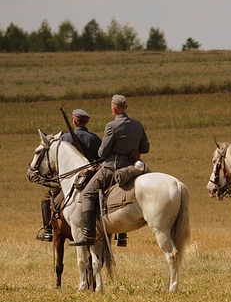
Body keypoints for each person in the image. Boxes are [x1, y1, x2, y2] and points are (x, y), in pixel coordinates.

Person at [70, 95, 150, 246]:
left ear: (114, 108)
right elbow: (145, 148)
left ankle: (88, 235)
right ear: (125, 108)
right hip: (134, 166)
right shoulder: (137, 124)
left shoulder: (111, 126)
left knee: (87, 193)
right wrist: (134, 151)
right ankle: (122, 236)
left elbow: (102, 153)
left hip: (113, 167)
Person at [36, 109, 101, 243]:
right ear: (86, 121)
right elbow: (100, 159)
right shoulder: (94, 138)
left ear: (74, 121)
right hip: (90, 177)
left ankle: (48, 230)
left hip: (71, 180)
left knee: (47, 198)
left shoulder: (65, 138)